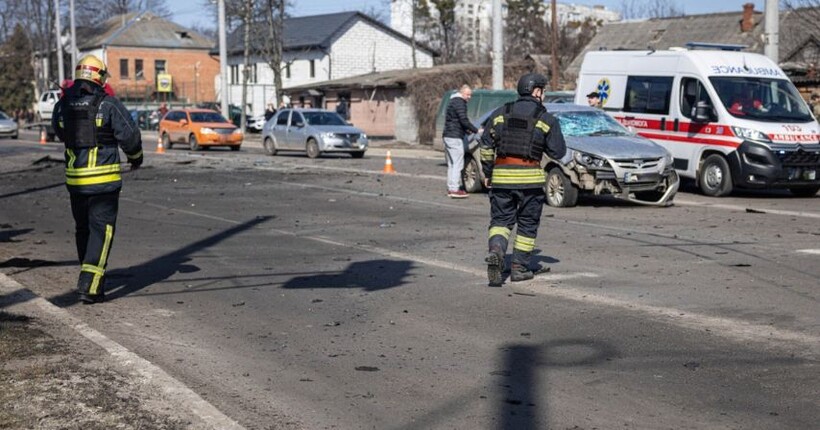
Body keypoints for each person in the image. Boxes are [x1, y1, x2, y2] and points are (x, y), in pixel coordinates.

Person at [52, 54, 143, 304]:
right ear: (99, 76)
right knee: (101, 233)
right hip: (103, 183)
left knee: (83, 230)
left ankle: (88, 276)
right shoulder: (108, 105)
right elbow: (131, 137)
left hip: (76, 183)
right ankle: (90, 287)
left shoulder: (63, 105)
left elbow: (60, 132)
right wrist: (136, 159)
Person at [479, 73, 567, 286]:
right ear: (536, 91)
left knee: (500, 222)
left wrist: (489, 173)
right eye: (543, 91)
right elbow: (558, 152)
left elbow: (485, 146)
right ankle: (519, 269)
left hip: (501, 179)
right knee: (527, 225)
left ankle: (497, 252)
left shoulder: (501, 114)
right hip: (530, 182)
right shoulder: (546, 119)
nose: (544, 95)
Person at [443, 84, 479, 198]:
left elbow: (456, 120)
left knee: (452, 164)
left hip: (448, 135)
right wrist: (475, 130)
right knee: (458, 163)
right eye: (467, 95)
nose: (469, 97)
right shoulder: (460, 102)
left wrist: (467, 131)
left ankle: (451, 187)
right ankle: (454, 189)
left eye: (470, 95)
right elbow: (463, 120)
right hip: (454, 136)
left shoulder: (453, 102)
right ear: (462, 93)